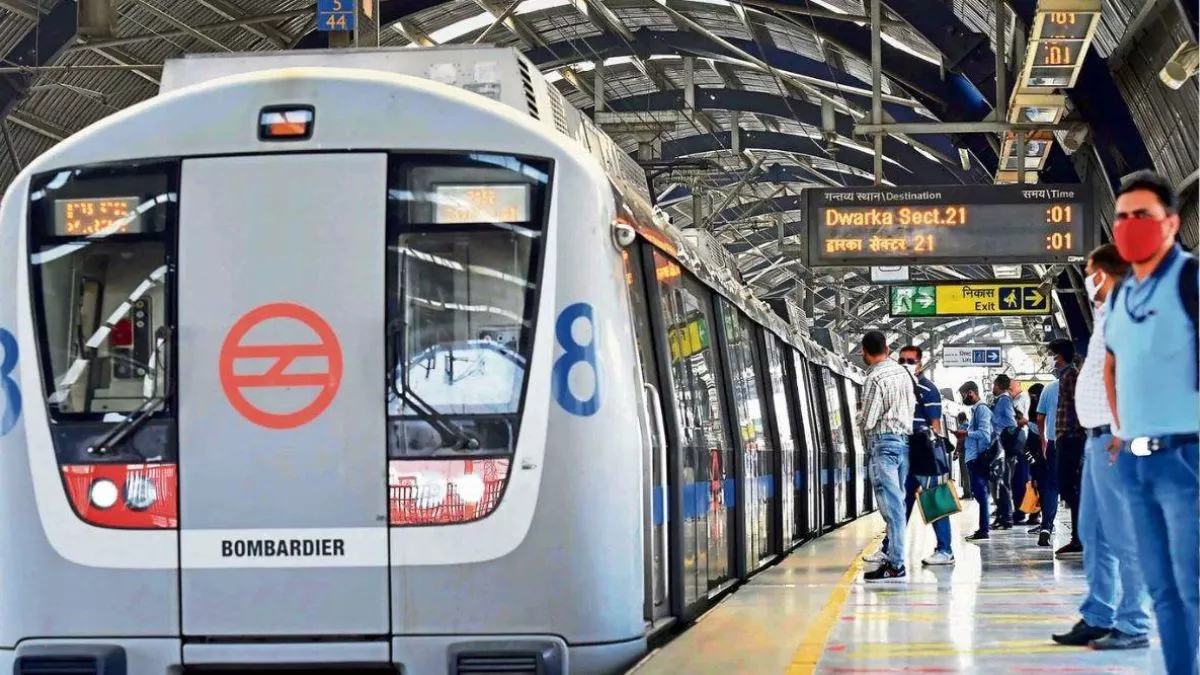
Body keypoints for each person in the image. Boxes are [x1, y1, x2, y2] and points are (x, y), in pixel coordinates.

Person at [1103, 170, 1198, 674]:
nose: (1130, 225)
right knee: (1164, 593)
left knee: (1193, 585)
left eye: (1143, 215)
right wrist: (1122, 431)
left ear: (1172, 222)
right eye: (1122, 217)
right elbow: (1116, 365)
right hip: (1138, 464)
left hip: (1188, 456)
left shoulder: (1191, 280)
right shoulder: (1121, 296)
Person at [1052, 243, 1150, 650]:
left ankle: (1134, 625)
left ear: (1107, 272)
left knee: (1123, 534)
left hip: (1116, 437)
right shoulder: (1106, 314)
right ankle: (1098, 615)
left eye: (1091, 271)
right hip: (1097, 438)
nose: (1087, 278)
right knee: (1093, 530)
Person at [856, 331, 916, 581]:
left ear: (864, 351)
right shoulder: (904, 374)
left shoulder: (875, 378)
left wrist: (857, 419)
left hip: (884, 444)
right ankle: (895, 558)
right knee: (898, 504)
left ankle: (896, 564)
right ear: (888, 348)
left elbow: (868, 421)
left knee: (892, 509)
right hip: (904, 444)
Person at [899, 345, 954, 566]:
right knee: (900, 502)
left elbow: (935, 425)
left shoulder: (928, 389)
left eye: (910, 361)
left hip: (923, 449)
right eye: (902, 360)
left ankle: (945, 550)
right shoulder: (899, 386)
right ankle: (888, 547)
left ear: (920, 364)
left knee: (934, 498)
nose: (905, 364)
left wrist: (933, 454)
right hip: (906, 448)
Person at [1047, 338, 1086, 558]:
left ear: (1059, 356)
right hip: (1067, 437)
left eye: (1052, 355)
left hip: (1070, 437)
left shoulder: (1070, 376)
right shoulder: (1066, 376)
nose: (1050, 360)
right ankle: (1079, 536)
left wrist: (1072, 430)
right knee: (1068, 487)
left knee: (1067, 485)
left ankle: (1080, 537)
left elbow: (1077, 404)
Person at [956, 381, 994, 541]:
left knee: (981, 494)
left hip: (978, 458)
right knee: (979, 494)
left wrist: (966, 434)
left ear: (971, 392)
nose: (963, 398)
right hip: (974, 458)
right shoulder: (976, 410)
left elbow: (985, 434)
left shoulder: (982, 409)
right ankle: (983, 528)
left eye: (964, 395)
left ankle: (984, 530)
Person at [1034, 376, 1061, 543]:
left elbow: (1039, 418)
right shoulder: (1085, 383)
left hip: (1055, 442)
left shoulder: (1049, 388)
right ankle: (1081, 533)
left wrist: (1043, 441)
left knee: (1052, 485)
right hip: (1081, 442)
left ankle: (1046, 526)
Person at [990, 374, 1018, 530]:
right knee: (999, 482)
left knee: (1003, 483)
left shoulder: (1004, 400)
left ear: (999, 385)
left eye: (994, 385)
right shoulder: (1002, 400)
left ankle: (1006, 518)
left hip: (1004, 449)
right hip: (1002, 448)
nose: (992, 388)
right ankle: (1003, 516)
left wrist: (1001, 435)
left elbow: (1011, 422)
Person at [1009, 379, 1033, 525]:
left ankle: (1022, 512)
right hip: (1020, 442)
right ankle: (1021, 511)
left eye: (1011, 387)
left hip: (1021, 442)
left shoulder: (1022, 398)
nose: (1009, 390)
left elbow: (1020, 420)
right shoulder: (1018, 399)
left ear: (1018, 384)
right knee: (1019, 479)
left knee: (1021, 479)